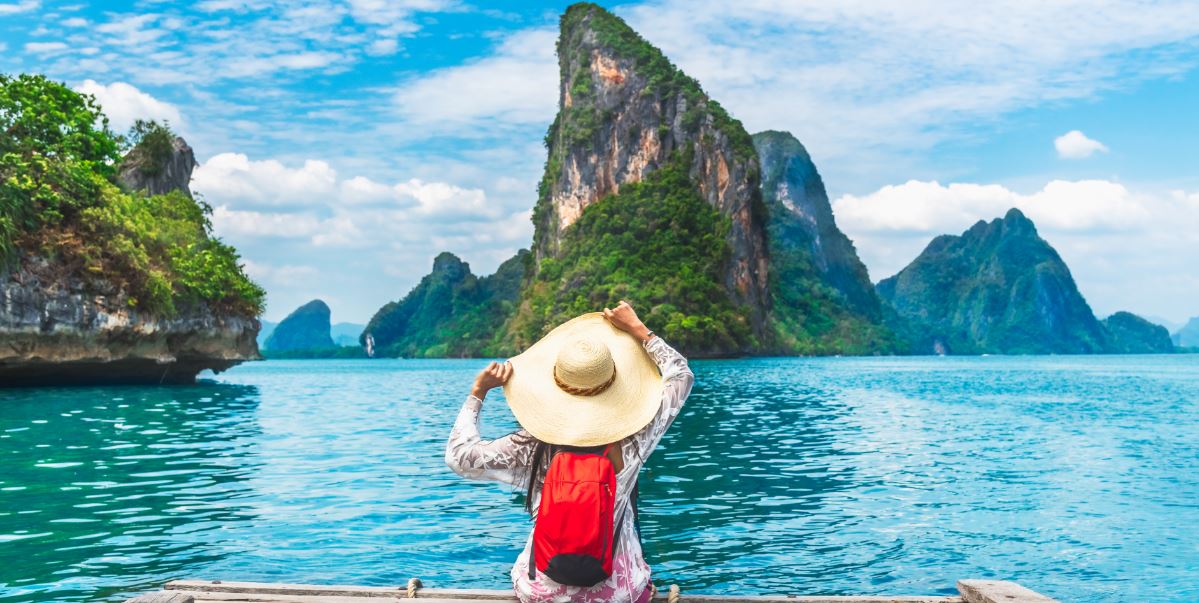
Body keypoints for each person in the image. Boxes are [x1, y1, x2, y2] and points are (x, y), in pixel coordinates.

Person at [446, 301, 695, 603]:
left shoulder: (531, 445)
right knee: (639, 582)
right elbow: (680, 374)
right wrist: (638, 328)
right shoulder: (633, 440)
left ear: (556, 387)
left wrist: (478, 392)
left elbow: (459, 457)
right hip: (616, 595)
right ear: (613, 384)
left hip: (541, 593)